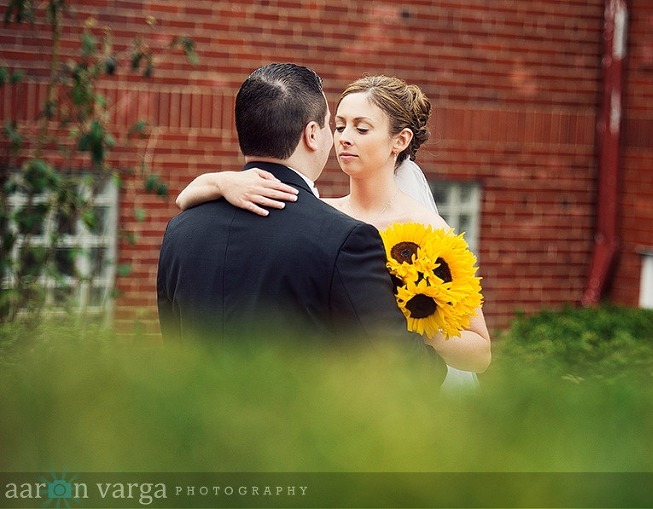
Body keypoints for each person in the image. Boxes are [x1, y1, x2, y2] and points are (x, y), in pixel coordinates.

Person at [176, 75, 491, 390]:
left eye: (361, 129)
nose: (345, 138)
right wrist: (219, 181)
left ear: (400, 140)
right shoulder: (318, 213)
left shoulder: (429, 231)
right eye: (339, 127)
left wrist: (421, 319)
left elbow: (480, 353)